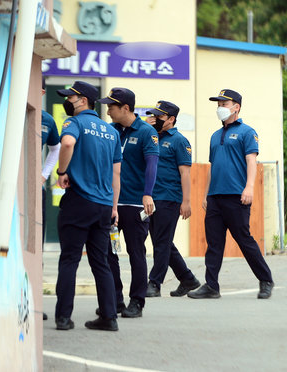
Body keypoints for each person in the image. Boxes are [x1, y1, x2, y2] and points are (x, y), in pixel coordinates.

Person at [188, 89, 274, 300]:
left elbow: (251, 162)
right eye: (218, 104)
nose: (220, 108)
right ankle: (211, 286)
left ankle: (265, 280)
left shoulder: (247, 132)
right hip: (215, 197)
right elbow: (212, 165)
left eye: (224, 104)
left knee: (244, 240)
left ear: (236, 107)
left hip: (237, 196)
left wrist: (250, 187)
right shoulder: (215, 136)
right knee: (214, 243)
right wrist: (206, 194)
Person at [54, 81, 122, 331]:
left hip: (79, 201)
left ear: (82, 100)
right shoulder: (111, 131)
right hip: (104, 205)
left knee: (70, 259)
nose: (67, 102)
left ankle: (63, 317)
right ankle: (109, 317)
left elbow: (68, 143)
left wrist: (61, 171)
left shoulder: (74, 123)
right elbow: (117, 173)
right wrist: (114, 206)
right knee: (100, 262)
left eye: (70, 98)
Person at [97, 88, 159, 318]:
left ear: (125, 108)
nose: (108, 110)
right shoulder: (110, 131)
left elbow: (152, 164)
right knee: (108, 253)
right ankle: (116, 299)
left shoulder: (146, 132)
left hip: (134, 204)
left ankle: (137, 301)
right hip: (111, 203)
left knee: (136, 253)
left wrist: (147, 194)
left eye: (112, 106)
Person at [143, 101, 200, 297]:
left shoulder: (179, 141)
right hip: (151, 197)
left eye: (160, 116)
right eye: (155, 116)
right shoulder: (150, 136)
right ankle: (187, 279)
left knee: (161, 242)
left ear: (171, 119)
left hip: (169, 197)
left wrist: (186, 201)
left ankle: (155, 283)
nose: (156, 119)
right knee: (163, 241)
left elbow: (185, 173)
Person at [41, 80, 61, 321]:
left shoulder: (47, 120)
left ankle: (35, 300)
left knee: (36, 245)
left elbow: (55, 149)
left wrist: (44, 175)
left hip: (37, 190)